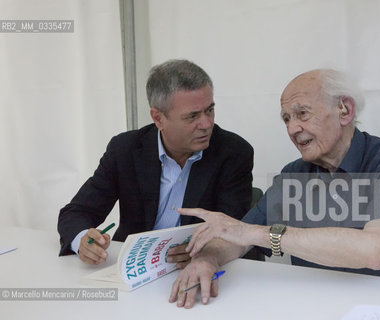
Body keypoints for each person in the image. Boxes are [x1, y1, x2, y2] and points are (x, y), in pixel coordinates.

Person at [169, 69, 380, 309]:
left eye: (302, 113)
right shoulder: (295, 175)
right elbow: (236, 238)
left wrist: (252, 233)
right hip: (328, 303)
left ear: (345, 110)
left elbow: (375, 250)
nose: (292, 129)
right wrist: (207, 258)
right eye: (286, 119)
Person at [57, 59, 254, 267]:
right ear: (158, 118)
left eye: (210, 110)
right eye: (193, 116)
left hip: (196, 268)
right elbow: (77, 212)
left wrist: (204, 251)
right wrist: (82, 241)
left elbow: (233, 229)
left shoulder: (233, 152)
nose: (206, 124)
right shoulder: (125, 149)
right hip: (134, 267)